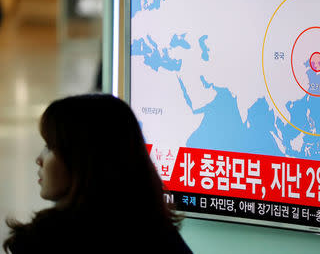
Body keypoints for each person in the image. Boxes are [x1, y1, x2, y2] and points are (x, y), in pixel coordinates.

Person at [3, 94, 193, 254]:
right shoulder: (160, 234)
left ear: (84, 159)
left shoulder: (45, 242)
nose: (39, 159)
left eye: (50, 147)